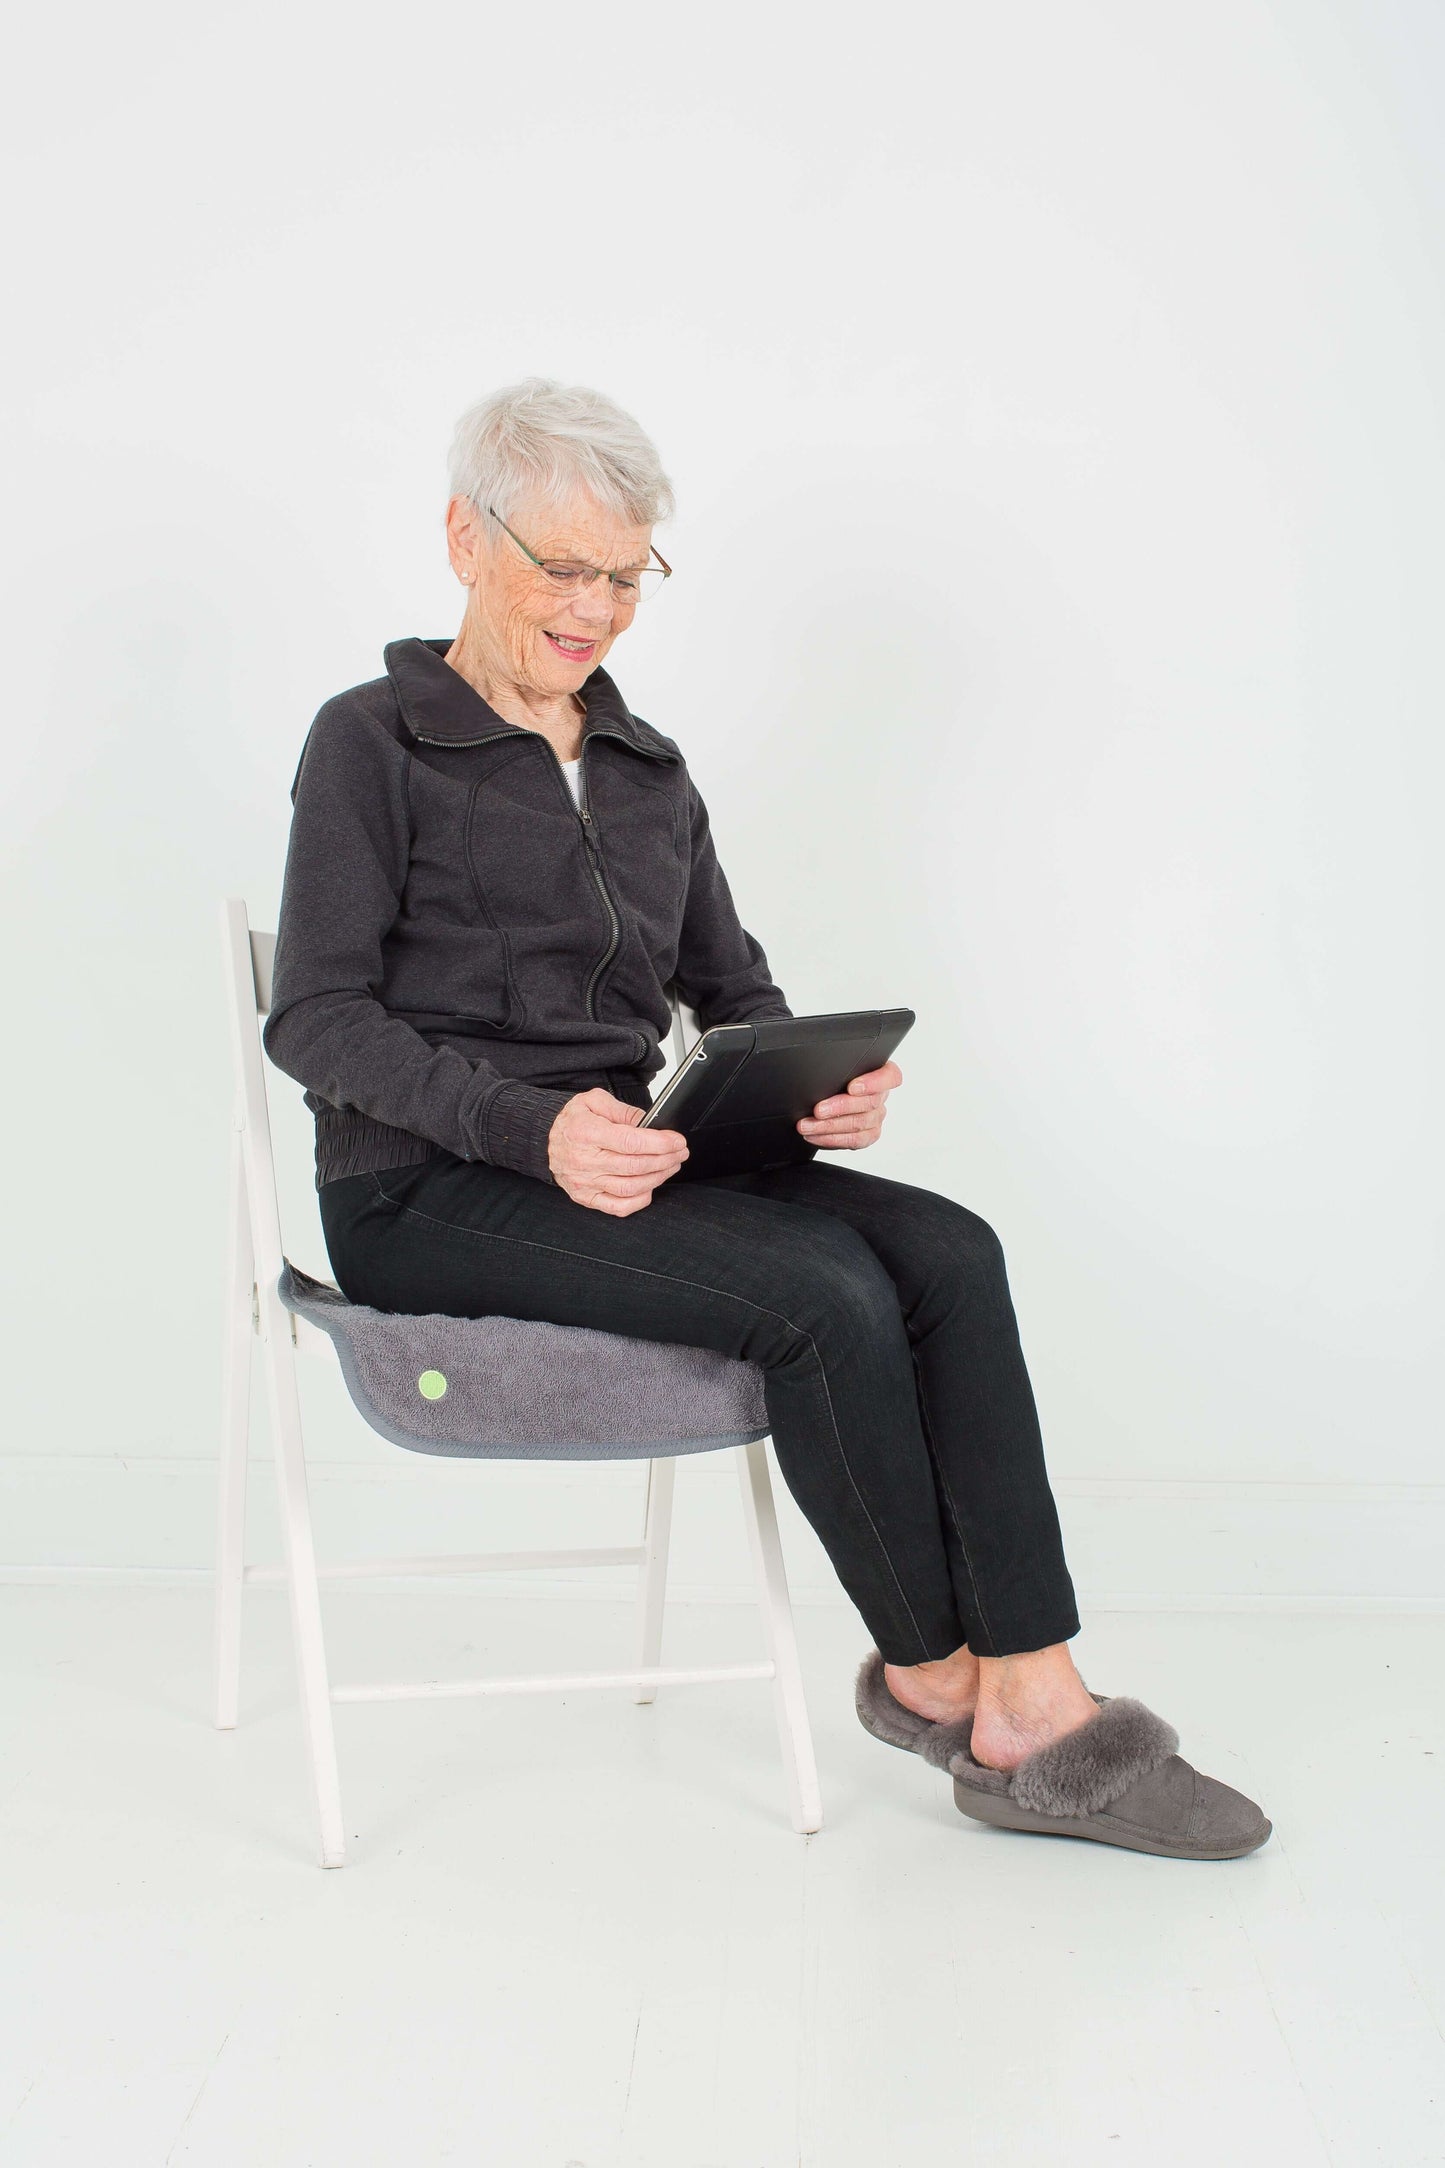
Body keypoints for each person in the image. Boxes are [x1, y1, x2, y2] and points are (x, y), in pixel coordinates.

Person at [263, 378, 1270, 1860]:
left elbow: (728, 987)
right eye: (564, 566)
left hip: (633, 1166)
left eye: (625, 574)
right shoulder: (372, 744)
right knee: (818, 1296)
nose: (596, 609)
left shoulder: (646, 766)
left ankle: (1036, 1685)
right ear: (466, 542)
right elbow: (316, 1017)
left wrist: (803, 1089)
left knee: (950, 1251)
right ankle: (939, 1682)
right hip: (431, 1191)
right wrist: (527, 1129)